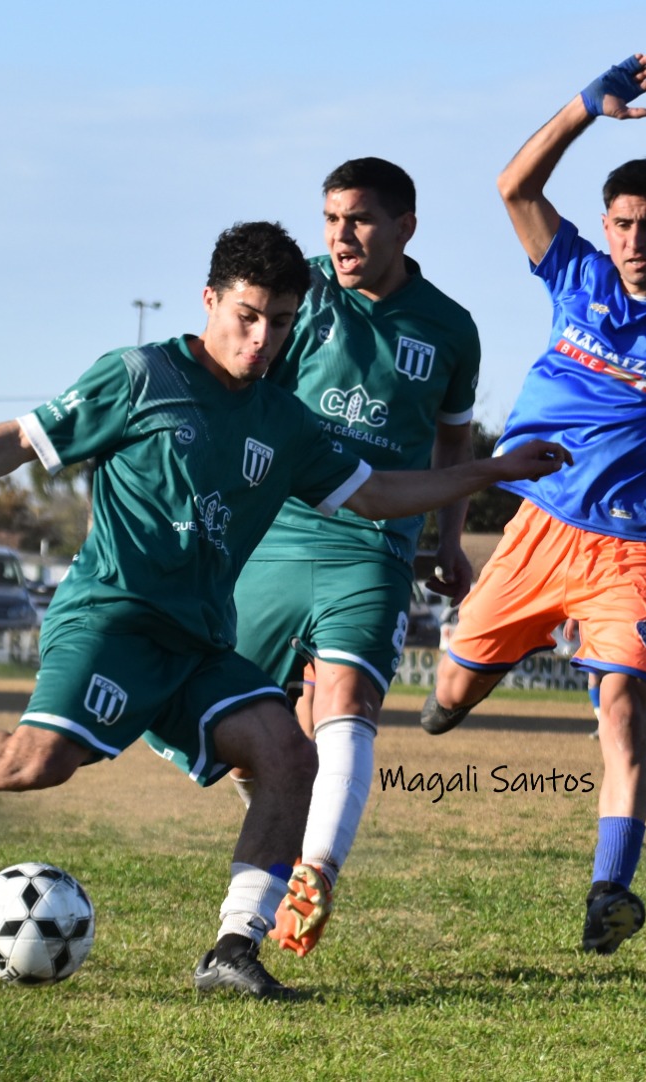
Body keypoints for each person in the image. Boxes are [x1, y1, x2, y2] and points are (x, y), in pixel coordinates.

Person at [0, 221, 569, 1001]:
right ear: (210, 301)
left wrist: (490, 471)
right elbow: (22, 438)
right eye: (248, 317)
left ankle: (233, 948)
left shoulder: (285, 421)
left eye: (282, 323)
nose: (262, 340)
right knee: (36, 762)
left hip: (199, 642)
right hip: (113, 618)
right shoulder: (140, 377)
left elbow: (378, 492)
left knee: (288, 754)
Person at [418, 52, 646, 955]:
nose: (632, 240)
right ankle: (517, 640)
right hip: (538, 528)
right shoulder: (574, 272)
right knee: (444, 703)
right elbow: (513, 186)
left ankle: (609, 893)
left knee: (622, 709)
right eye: (621, 223)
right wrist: (586, 106)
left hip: (632, 548)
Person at [230, 158, 483, 958]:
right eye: (332, 218)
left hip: (374, 542)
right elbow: (239, 382)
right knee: (239, 733)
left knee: (347, 698)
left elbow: (453, 443)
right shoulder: (298, 293)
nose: (341, 235)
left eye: (361, 219)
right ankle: (299, 821)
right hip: (273, 532)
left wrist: (447, 536)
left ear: (405, 227)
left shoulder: (449, 327)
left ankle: (316, 870)